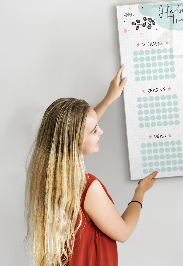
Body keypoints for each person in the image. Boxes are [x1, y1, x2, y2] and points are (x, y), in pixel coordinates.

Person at [25, 65, 157, 266]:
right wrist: (140, 193)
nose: (101, 132)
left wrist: (110, 98)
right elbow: (123, 232)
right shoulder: (87, 187)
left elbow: (77, 130)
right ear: (75, 140)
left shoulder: (46, 176)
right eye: (95, 131)